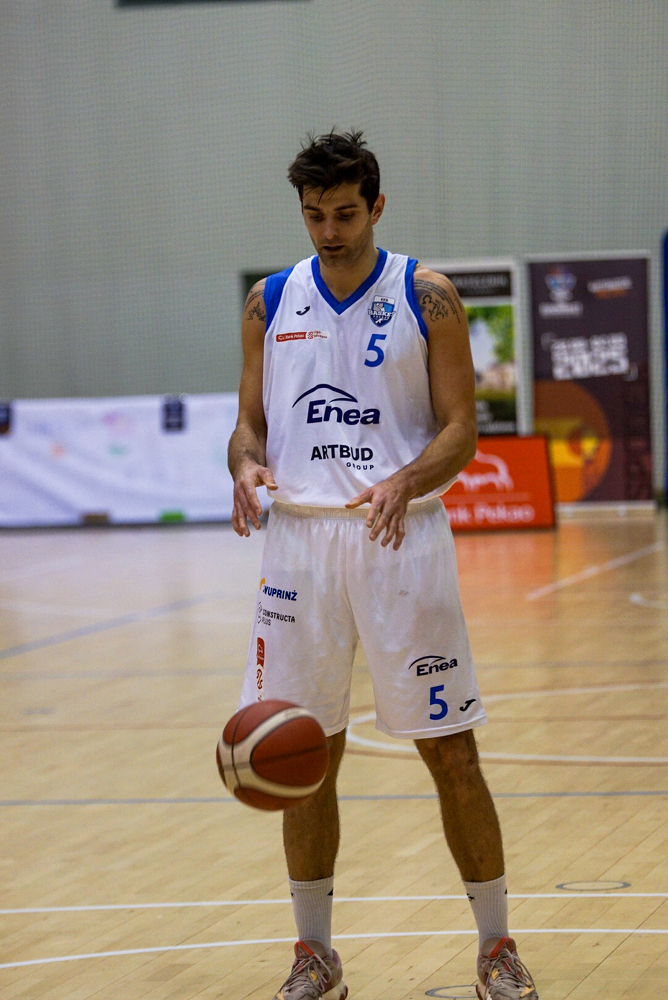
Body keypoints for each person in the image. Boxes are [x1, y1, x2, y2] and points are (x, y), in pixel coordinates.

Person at [228, 131, 538, 1000]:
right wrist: (245, 466)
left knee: (452, 751)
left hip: (401, 538)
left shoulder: (425, 296)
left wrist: (406, 478)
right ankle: (315, 956)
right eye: (314, 216)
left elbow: (462, 431)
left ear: (377, 206)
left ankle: (496, 947)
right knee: (302, 756)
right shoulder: (267, 301)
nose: (329, 231)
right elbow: (248, 426)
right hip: (298, 548)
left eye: (345, 213)